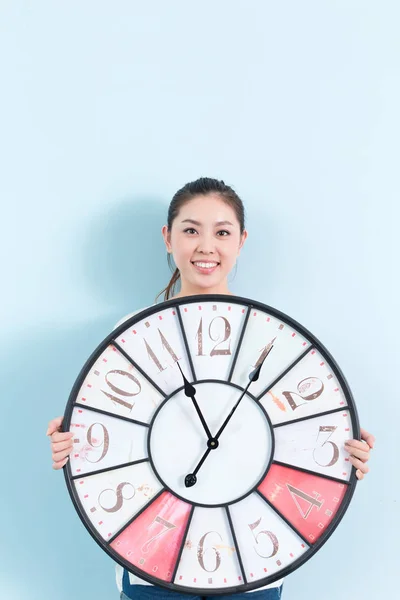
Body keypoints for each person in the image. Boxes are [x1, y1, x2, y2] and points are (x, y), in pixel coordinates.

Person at [47, 177, 375, 600]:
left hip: (250, 564)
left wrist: (343, 458)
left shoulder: (274, 337)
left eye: (222, 232)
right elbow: (115, 433)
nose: (206, 246)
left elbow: (300, 437)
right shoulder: (131, 333)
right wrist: (73, 445)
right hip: (153, 557)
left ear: (241, 240)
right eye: (190, 230)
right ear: (168, 238)